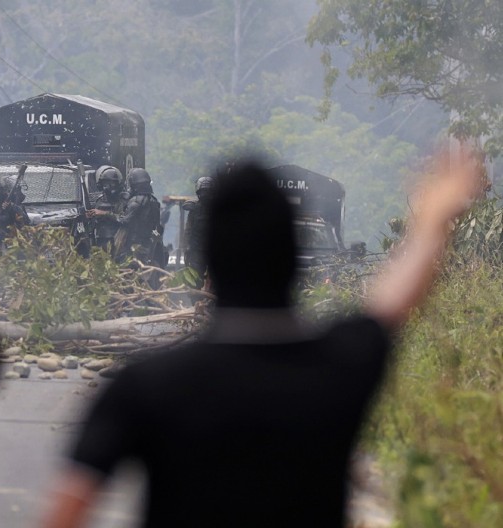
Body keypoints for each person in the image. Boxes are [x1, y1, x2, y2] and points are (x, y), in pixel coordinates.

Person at [41, 150, 483, 528]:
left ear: (207, 263)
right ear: (292, 258)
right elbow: (389, 305)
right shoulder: (337, 368)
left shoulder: (147, 385)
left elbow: (67, 510)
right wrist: (433, 220)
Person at [110, 168, 163, 266]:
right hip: (147, 244)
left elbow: (124, 221)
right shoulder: (154, 202)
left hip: (132, 244)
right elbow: (158, 226)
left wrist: (105, 215)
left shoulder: (136, 202)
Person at [86, 166, 129, 253]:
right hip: (101, 239)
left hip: (119, 239)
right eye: (105, 183)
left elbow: (124, 219)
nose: (108, 186)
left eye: (111, 183)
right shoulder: (100, 200)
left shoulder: (124, 200)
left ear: (118, 183)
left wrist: (104, 213)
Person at [183, 175, 213, 287]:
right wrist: (186, 247)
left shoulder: (194, 208)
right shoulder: (194, 209)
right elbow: (188, 230)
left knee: (196, 277)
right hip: (197, 249)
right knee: (195, 278)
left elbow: (188, 230)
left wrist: (186, 247)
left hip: (201, 249)